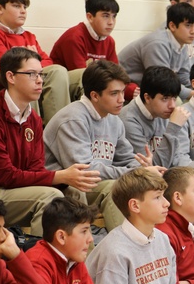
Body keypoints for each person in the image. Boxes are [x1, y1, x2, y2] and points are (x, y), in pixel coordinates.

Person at [0, 48, 101, 238]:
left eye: (41, 74)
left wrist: (63, 179)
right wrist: (59, 176)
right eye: (31, 74)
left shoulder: (32, 118)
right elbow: (6, 177)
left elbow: (35, 168)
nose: (40, 80)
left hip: (11, 187)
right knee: (49, 197)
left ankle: (80, 262)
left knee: (75, 193)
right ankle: (39, 261)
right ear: (11, 77)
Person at [44, 59, 156, 231]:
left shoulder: (114, 120)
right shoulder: (73, 119)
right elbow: (85, 171)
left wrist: (141, 167)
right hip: (69, 187)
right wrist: (136, 172)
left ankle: (147, 246)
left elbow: (127, 158)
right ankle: (123, 249)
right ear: (95, 95)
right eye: (114, 94)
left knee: (150, 183)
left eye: (122, 92)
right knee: (114, 188)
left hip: (95, 183)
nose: (121, 99)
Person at [0, 0, 70, 122]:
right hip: (8, 81)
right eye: (16, 6)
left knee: (58, 70)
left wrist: (31, 61)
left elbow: (48, 62)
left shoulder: (28, 35)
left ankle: (60, 127)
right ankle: (32, 129)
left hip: (29, 75)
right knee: (27, 74)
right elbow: (5, 65)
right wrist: (33, 59)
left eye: (25, 7)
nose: (23, 11)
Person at [49, 0, 130, 102]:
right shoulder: (75, 37)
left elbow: (116, 74)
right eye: (105, 16)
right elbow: (82, 79)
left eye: (114, 16)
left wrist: (132, 91)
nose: (111, 22)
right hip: (67, 92)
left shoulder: (109, 41)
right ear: (90, 17)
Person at [118, 2, 194, 101]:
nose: (193, 31)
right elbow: (162, 81)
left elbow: (183, 76)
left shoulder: (182, 45)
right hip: (127, 88)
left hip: (151, 88)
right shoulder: (157, 44)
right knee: (177, 102)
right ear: (172, 26)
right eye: (188, 25)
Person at [119, 66, 193, 169]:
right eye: (165, 98)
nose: (172, 105)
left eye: (174, 98)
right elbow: (153, 167)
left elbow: (179, 157)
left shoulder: (167, 113)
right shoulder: (128, 120)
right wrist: (173, 128)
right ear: (147, 98)